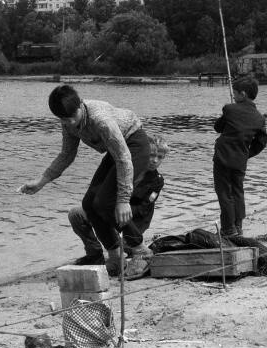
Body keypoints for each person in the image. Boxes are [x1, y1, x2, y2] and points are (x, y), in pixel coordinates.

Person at [19, 84, 151, 277]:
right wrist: (41, 181)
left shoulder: (101, 120)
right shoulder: (68, 123)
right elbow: (66, 155)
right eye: (64, 119)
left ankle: (141, 251)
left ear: (80, 105)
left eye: (73, 116)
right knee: (89, 204)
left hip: (135, 145)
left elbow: (124, 158)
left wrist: (123, 200)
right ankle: (115, 255)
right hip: (117, 150)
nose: (70, 122)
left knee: (105, 203)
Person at [68, 134, 169, 278]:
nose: (154, 160)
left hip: (130, 224)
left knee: (122, 236)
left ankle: (129, 254)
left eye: (160, 157)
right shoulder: (124, 169)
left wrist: (118, 207)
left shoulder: (156, 181)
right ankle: (94, 254)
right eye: (152, 155)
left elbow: (142, 209)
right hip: (107, 213)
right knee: (76, 214)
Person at [213, 76, 267, 237]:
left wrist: (230, 109)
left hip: (222, 158)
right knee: (237, 192)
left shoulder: (230, 109)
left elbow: (218, 127)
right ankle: (238, 227)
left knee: (224, 192)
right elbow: (261, 143)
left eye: (235, 93)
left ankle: (228, 229)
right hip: (240, 160)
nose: (234, 96)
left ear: (242, 94)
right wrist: (246, 154)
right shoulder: (259, 117)